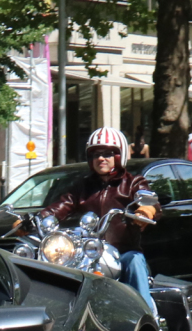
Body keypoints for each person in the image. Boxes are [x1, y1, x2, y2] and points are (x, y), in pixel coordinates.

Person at [36, 127, 159, 317]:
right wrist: (36, 220)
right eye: (95, 154)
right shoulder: (83, 186)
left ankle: (148, 318)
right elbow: (61, 205)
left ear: (120, 155)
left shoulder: (133, 183)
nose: (101, 158)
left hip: (123, 252)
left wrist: (146, 210)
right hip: (88, 253)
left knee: (135, 261)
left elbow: (148, 199)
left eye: (108, 153)